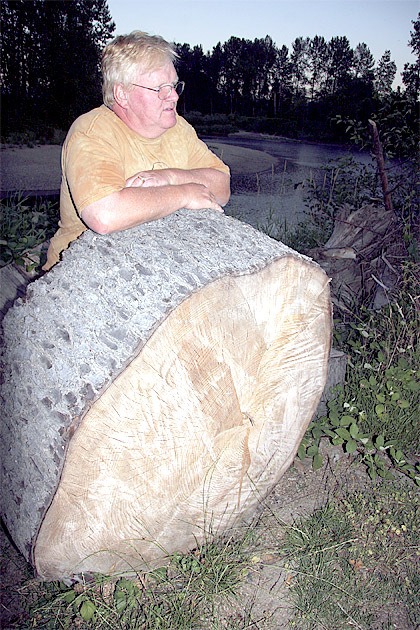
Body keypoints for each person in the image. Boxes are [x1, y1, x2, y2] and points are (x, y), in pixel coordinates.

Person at [43, 30, 230, 270]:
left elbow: (222, 187)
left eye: (173, 86)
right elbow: (104, 215)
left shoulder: (178, 129)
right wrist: (184, 194)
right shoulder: (92, 131)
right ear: (122, 94)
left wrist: (169, 177)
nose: (173, 96)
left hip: (148, 263)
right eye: (160, 88)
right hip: (80, 271)